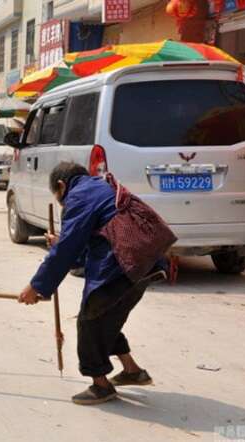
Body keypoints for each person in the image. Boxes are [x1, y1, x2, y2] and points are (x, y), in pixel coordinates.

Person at [18, 162, 157, 406]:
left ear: (61, 186)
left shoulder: (80, 196)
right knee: (108, 316)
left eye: (59, 199)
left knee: (89, 320)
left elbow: (66, 251)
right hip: (147, 263)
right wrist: (61, 243)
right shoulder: (99, 188)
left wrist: (36, 286)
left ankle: (101, 385)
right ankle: (132, 370)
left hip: (121, 266)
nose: (62, 205)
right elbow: (81, 245)